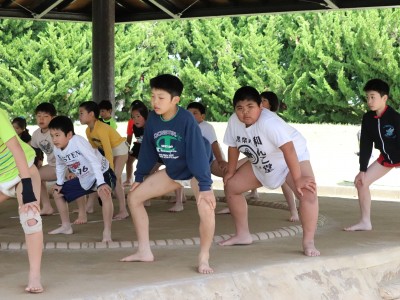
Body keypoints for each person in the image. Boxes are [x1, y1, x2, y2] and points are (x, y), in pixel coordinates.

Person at [120, 74, 216, 274]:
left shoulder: (186, 119)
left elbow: (197, 153)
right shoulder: (153, 119)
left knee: (206, 206)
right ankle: (144, 251)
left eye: (161, 97)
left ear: (175, 100)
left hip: (195, 170)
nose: (155, 102)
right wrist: (139, 177)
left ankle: (204, 257)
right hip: (174, 171)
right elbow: (147, 149)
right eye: (153, 96)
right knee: (134, 197)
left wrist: (205, 187)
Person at [220, 86, 320, 257]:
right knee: (231, 186)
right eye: (240, 108)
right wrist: (230, 171)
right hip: (262, 159)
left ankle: (308, 241)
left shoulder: (269, 122)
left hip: (291, 158)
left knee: (307, 193)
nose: (245, 112)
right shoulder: (233, 122)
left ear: (261, 106)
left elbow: (289, 150)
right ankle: (243, 234)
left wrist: (298, 179)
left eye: (250, 107)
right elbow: (233, 146)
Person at [47, 116, 116, 242]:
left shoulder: (77, 141)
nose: (54, 139)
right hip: (85, 177)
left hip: (103, 172)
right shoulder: (57, 149)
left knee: (105, 194)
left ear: (69, 135)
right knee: (58, 193)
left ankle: (107, 232)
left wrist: (101, 183)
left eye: (57, 135)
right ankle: (66, 226)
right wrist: (59, 183)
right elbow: (60, 165)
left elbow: (94, 161)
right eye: (52, 136)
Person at [344, 79, 400, 231]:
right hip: (386, 158)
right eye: (367, 97)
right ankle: (365, 222)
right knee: (361, 182)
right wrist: (362, 170)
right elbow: (366, 144)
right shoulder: (368, 118)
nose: (369, 101)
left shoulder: (395, 118)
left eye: (373, 97)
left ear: (384, 98)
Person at [0, 109, 44, 293]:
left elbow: (16, 150)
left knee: (31, 218)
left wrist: (27, 188)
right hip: (1, 179)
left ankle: (35, 275)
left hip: (23, 171)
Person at [245, 91, 299, 222]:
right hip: (261, 154)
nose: (260, 103)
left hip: (278, 156)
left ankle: (294, 210)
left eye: (263, 101)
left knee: (287, 183)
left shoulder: (272, 120)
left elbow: (286, 146)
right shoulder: (255, 118)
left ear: (271, 104)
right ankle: (252, 192)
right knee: (248, 166)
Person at [79, 101, 129, 220]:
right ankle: (89, 205)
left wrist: (109, 169)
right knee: (97, 176)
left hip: (119, 150)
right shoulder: (88, 131)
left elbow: (108, 150)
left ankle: (123, 210)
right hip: (109, 152)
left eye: (81, 113)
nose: (79, 116)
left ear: (91, 114)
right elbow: (94, 150)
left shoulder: (101, 129)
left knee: (114, 178)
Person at [30, 103, 57, 216]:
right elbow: (34, 150)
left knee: (76, 182)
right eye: (39, 115)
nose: (41, 119)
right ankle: (46, 207)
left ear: (53, 118)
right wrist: (38, 162)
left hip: (68, 165)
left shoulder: (57, 130)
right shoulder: (36, 134)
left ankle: (83, 212)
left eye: (45, 116)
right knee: (35, 175)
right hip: (53, 166)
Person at [123, 103, 136, 186]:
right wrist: (127, 148)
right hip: (138, 144)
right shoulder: (131, 121)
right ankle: (129, 179)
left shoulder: (147, 120)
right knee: (129, 160)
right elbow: (129, 136)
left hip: (148, 145)